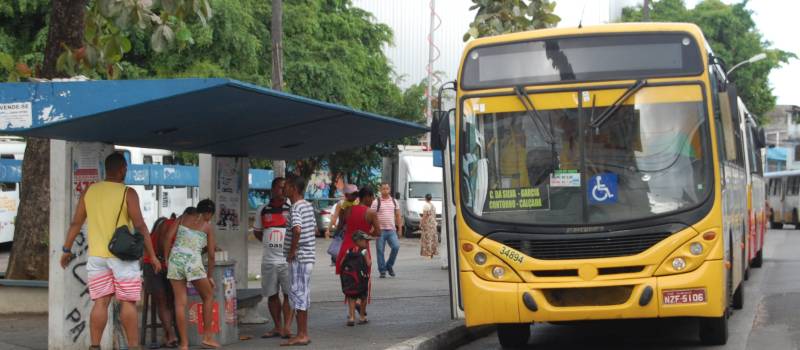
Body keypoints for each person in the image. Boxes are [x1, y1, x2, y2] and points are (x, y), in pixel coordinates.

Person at [59, 152, 161, 350]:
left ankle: (95, 346)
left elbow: (76, 223)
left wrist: (66, 249)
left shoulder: (90, 191)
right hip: (122, 257)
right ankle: (133, 346)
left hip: (97, 256)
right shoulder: (127, 193)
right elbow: (140, 225)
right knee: (127, 301)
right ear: (123, 169)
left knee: (100, 302)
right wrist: (152, 255)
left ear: (106, 169)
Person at [164, 200, 219, 350]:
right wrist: (209, 276)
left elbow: (168, 238)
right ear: (208, 213)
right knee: (208, 296)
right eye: (210, 216)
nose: (209, 219)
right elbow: (212, 254)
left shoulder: (182, 218)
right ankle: (207, 337)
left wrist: (167, 259)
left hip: (175, 260)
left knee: (180, 303)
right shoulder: (207, 226)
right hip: (193, 263)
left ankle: (184, 344)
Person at [253, 177, 294, 339]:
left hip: (286, 261)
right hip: (269, 260)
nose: (282, 190)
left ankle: (287, 327)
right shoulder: (263, 209)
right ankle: (277, 327)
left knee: (289, 294)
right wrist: (268, 241)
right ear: (272, 189)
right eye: (279, 187)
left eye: (285, 187)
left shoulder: (291, 209)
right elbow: (257, 231)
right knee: (272, 295)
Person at [336, 187, 381, 325]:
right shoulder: (371, 213)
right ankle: (361, 316)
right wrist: (367, 235)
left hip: (346, 249)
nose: (373, 200)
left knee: (349, 279)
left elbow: (340, 227)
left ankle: (351, 316)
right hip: (362, 249)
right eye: (372, 197)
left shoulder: (347, 210)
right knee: (363, 281)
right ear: (365, 196)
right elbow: (378, 232)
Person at [282, 176, 316, 346]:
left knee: (298, 295)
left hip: (300, 257)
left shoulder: (295, 208)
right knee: (302, 294)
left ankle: (302, 334)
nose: (283, 189)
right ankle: (302, 333)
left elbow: (297, 229)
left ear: (294, 188)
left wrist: (292, 251)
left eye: (286, 186)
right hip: (308, 256)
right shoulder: (308, 206)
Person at [143, 217, 178, 348]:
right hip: (153, 265)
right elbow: (163, 245)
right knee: (162, 299)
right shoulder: (168, 225)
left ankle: (168, 334)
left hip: (167, 264)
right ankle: (170, 334)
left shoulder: (184, 229)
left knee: (171, 299)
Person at [370, 183, 403, 278]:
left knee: (396, 247)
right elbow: (371, 215)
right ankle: (382, 270)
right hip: (380, 230)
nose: (385, 190)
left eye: (387, 188)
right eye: (383, 189)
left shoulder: (394, 201)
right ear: (380, 190)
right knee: (380, 250)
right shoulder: (376, 202)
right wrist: (372, 228)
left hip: (391, 230)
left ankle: (389, 265)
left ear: (389, 190)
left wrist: (400, 228)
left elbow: (398, 215)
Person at [342, 231, 374, 326]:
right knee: (363, 298)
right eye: (365, 241)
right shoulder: (364, 251)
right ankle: (362, 317)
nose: (367, 243)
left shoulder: (349, 251)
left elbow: (342, 263)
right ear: (359, 241)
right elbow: (369, 263)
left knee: (351, 298)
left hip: (351, 279)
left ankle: (351, 318)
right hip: (362, 278)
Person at [325, 184, 359, 265]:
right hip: (344, 230)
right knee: (339, 244)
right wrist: (328, 229)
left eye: (355, 194)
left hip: (354, 230)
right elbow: (334, 217)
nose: (354, 196)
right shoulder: (341, 204)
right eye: (352, 194)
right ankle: (336, 258)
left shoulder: (357, 203)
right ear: (346, 194)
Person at [419, 194, 439, 259]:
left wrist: (421, 222)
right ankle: (432, 252)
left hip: (427, 223)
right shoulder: (433, 205)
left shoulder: (426, 205)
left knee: (427, 238)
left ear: (425, 198)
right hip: (433, 223)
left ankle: (428, 253)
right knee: (432, 238)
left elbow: (425, 215)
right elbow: (434, 215)